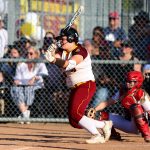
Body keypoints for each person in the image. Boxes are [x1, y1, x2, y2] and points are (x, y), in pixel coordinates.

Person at [44, 27, 113, 144]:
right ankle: (103, 124)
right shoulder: (63, 51)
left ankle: (97, 135)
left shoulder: (80, 51)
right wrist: (51, 53)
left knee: (76, 114)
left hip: (86, 85)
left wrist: (53, 59)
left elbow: (68, 64)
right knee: (73, 121)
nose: (61, 41)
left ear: (71, 39)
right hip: (75, 87)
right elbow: (55, 58)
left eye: (64, 39)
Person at [91, 71, 150, 142]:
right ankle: (112, 135)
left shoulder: (141, 94)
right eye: (127, 81)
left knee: (136, 107)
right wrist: (94, 110)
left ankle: (147, 134)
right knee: (101, 116)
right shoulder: (122, 92)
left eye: (130, 81)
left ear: (137, 82)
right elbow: (107, 102)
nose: (127, 83)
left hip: (140, 126)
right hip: (128, 124)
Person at [11, 46, 48, 124]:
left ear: (36, 54)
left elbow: (44, 74)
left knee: (29, 88)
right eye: (27, 53)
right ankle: (25, 115)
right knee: (15, 88)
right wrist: (17, 81)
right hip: (23, 85)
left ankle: (23, 116)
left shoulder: (40, 63)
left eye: (31, 53)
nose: (28, 55)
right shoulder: (21, 64)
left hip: (36, 85)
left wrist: (35, 78)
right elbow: (17, 77)